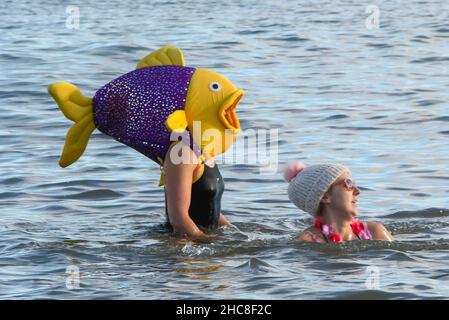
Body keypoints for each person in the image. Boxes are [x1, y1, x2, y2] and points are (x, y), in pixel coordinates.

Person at [284, 162, 394, 243]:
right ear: (325, 196)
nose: (357, 191)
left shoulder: (374, 231)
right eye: (348, 184)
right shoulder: (308, 241)